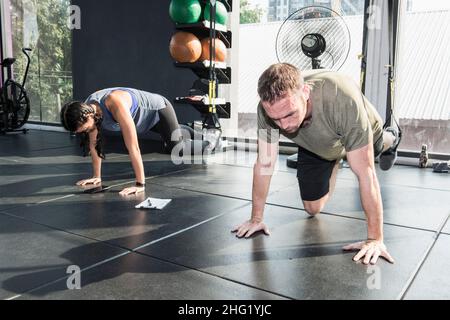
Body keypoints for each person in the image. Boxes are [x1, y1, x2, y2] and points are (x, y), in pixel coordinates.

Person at [232, 63, 401, 265]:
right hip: (315, 141)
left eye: (289, 114)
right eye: (275, 119)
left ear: (305, 92)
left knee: (377, 147)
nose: (284, 126)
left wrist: (375, 239)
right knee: (312, 209)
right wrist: (256, 219)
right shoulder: (266, 110)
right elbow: (265, 164)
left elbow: (366, 174)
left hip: (363, 130)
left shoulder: (341, 98)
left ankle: (393, 138)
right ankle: (335, 158)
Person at [60, 87, 207, 195]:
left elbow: (133, 147)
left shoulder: (113, 102)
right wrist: (96, 176)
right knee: (170, 136)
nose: (85, 132)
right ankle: (187, 129)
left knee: (178, 148)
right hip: (143, 122)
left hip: (158, 110)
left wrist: (140, 184)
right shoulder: (89, 108)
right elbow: (94, 144)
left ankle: (211, 142)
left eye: (83, 129)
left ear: (88, 116)